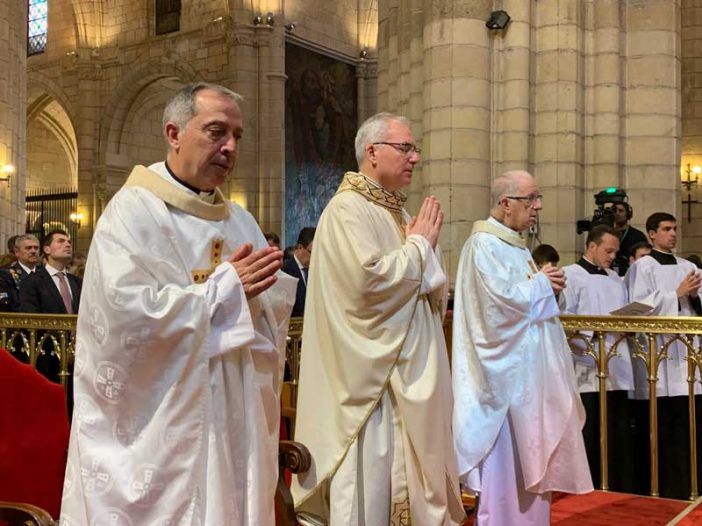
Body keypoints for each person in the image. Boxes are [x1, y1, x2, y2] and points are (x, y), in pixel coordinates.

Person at [60, 82, 297, 525]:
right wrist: (225, 290)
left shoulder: (240, 220)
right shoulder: (132, 212)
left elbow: (262, 313)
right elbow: (123, 318)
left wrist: (268, 293)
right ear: (173, 133)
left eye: (237, 136)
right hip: (164, 426)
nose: (229, 147)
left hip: (231, 411)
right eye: (215, 131)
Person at [292, 113, 465, 525]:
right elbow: (366, 286)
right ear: (372, 152)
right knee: (372, 488)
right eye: (406, 148)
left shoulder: (402, 216)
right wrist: (421, 248)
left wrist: (423, 252)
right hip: (372, 386)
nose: (416, 158)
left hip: (409, 379)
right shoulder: (346, 210)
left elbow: (428, 285)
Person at [452, 170, 592, 526]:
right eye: (531, 199)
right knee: (507, 471)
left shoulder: (513, 245)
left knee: (531, 469)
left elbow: (523, 302)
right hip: (504, 385)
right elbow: (496, 310)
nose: (538, 206)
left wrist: (547, 287)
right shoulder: (482, 245)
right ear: (505, 203)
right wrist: (542, 286)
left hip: (527, 379)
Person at [625, 212, 702, 498]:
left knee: (690, 428)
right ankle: (666, 488)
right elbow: (637, 308)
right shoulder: (642, 267)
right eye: (666, 229)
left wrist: (692, 296)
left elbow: (698, 304)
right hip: (660, 358)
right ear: (652, 234)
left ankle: (693, 483)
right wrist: (675, 294)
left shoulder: (689, 266)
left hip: (688, 357)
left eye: (675, 228)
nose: (673, 234)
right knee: (665, 430)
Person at [561, 225, 635, 492]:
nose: (613, 256)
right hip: (587, 368)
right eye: (608, 250)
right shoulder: (570, 276)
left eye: (615, 251)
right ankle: (590, 485)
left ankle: (618, 485)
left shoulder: (616, 279)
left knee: (618, 431)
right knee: (591, 430)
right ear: (591, 247)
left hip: (618, 364)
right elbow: (564, 320)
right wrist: (595, 333)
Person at [0, 234, 41, 312]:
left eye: (36, 248)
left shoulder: (45, 274)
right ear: (16, 252)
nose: (33, 251)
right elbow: (5, 305)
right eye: (28, 248)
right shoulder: (5, 275)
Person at [281, 227, 315, 317]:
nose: (316, 257)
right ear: (300, 247)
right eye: (313, 252)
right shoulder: (285, 271)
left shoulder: (317, 270)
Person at [612, 202, 647, 276]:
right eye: (615, 211)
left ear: (628, 214)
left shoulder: (638, 235)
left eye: (621, 211)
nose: (617, 213)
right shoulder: (607, 234)